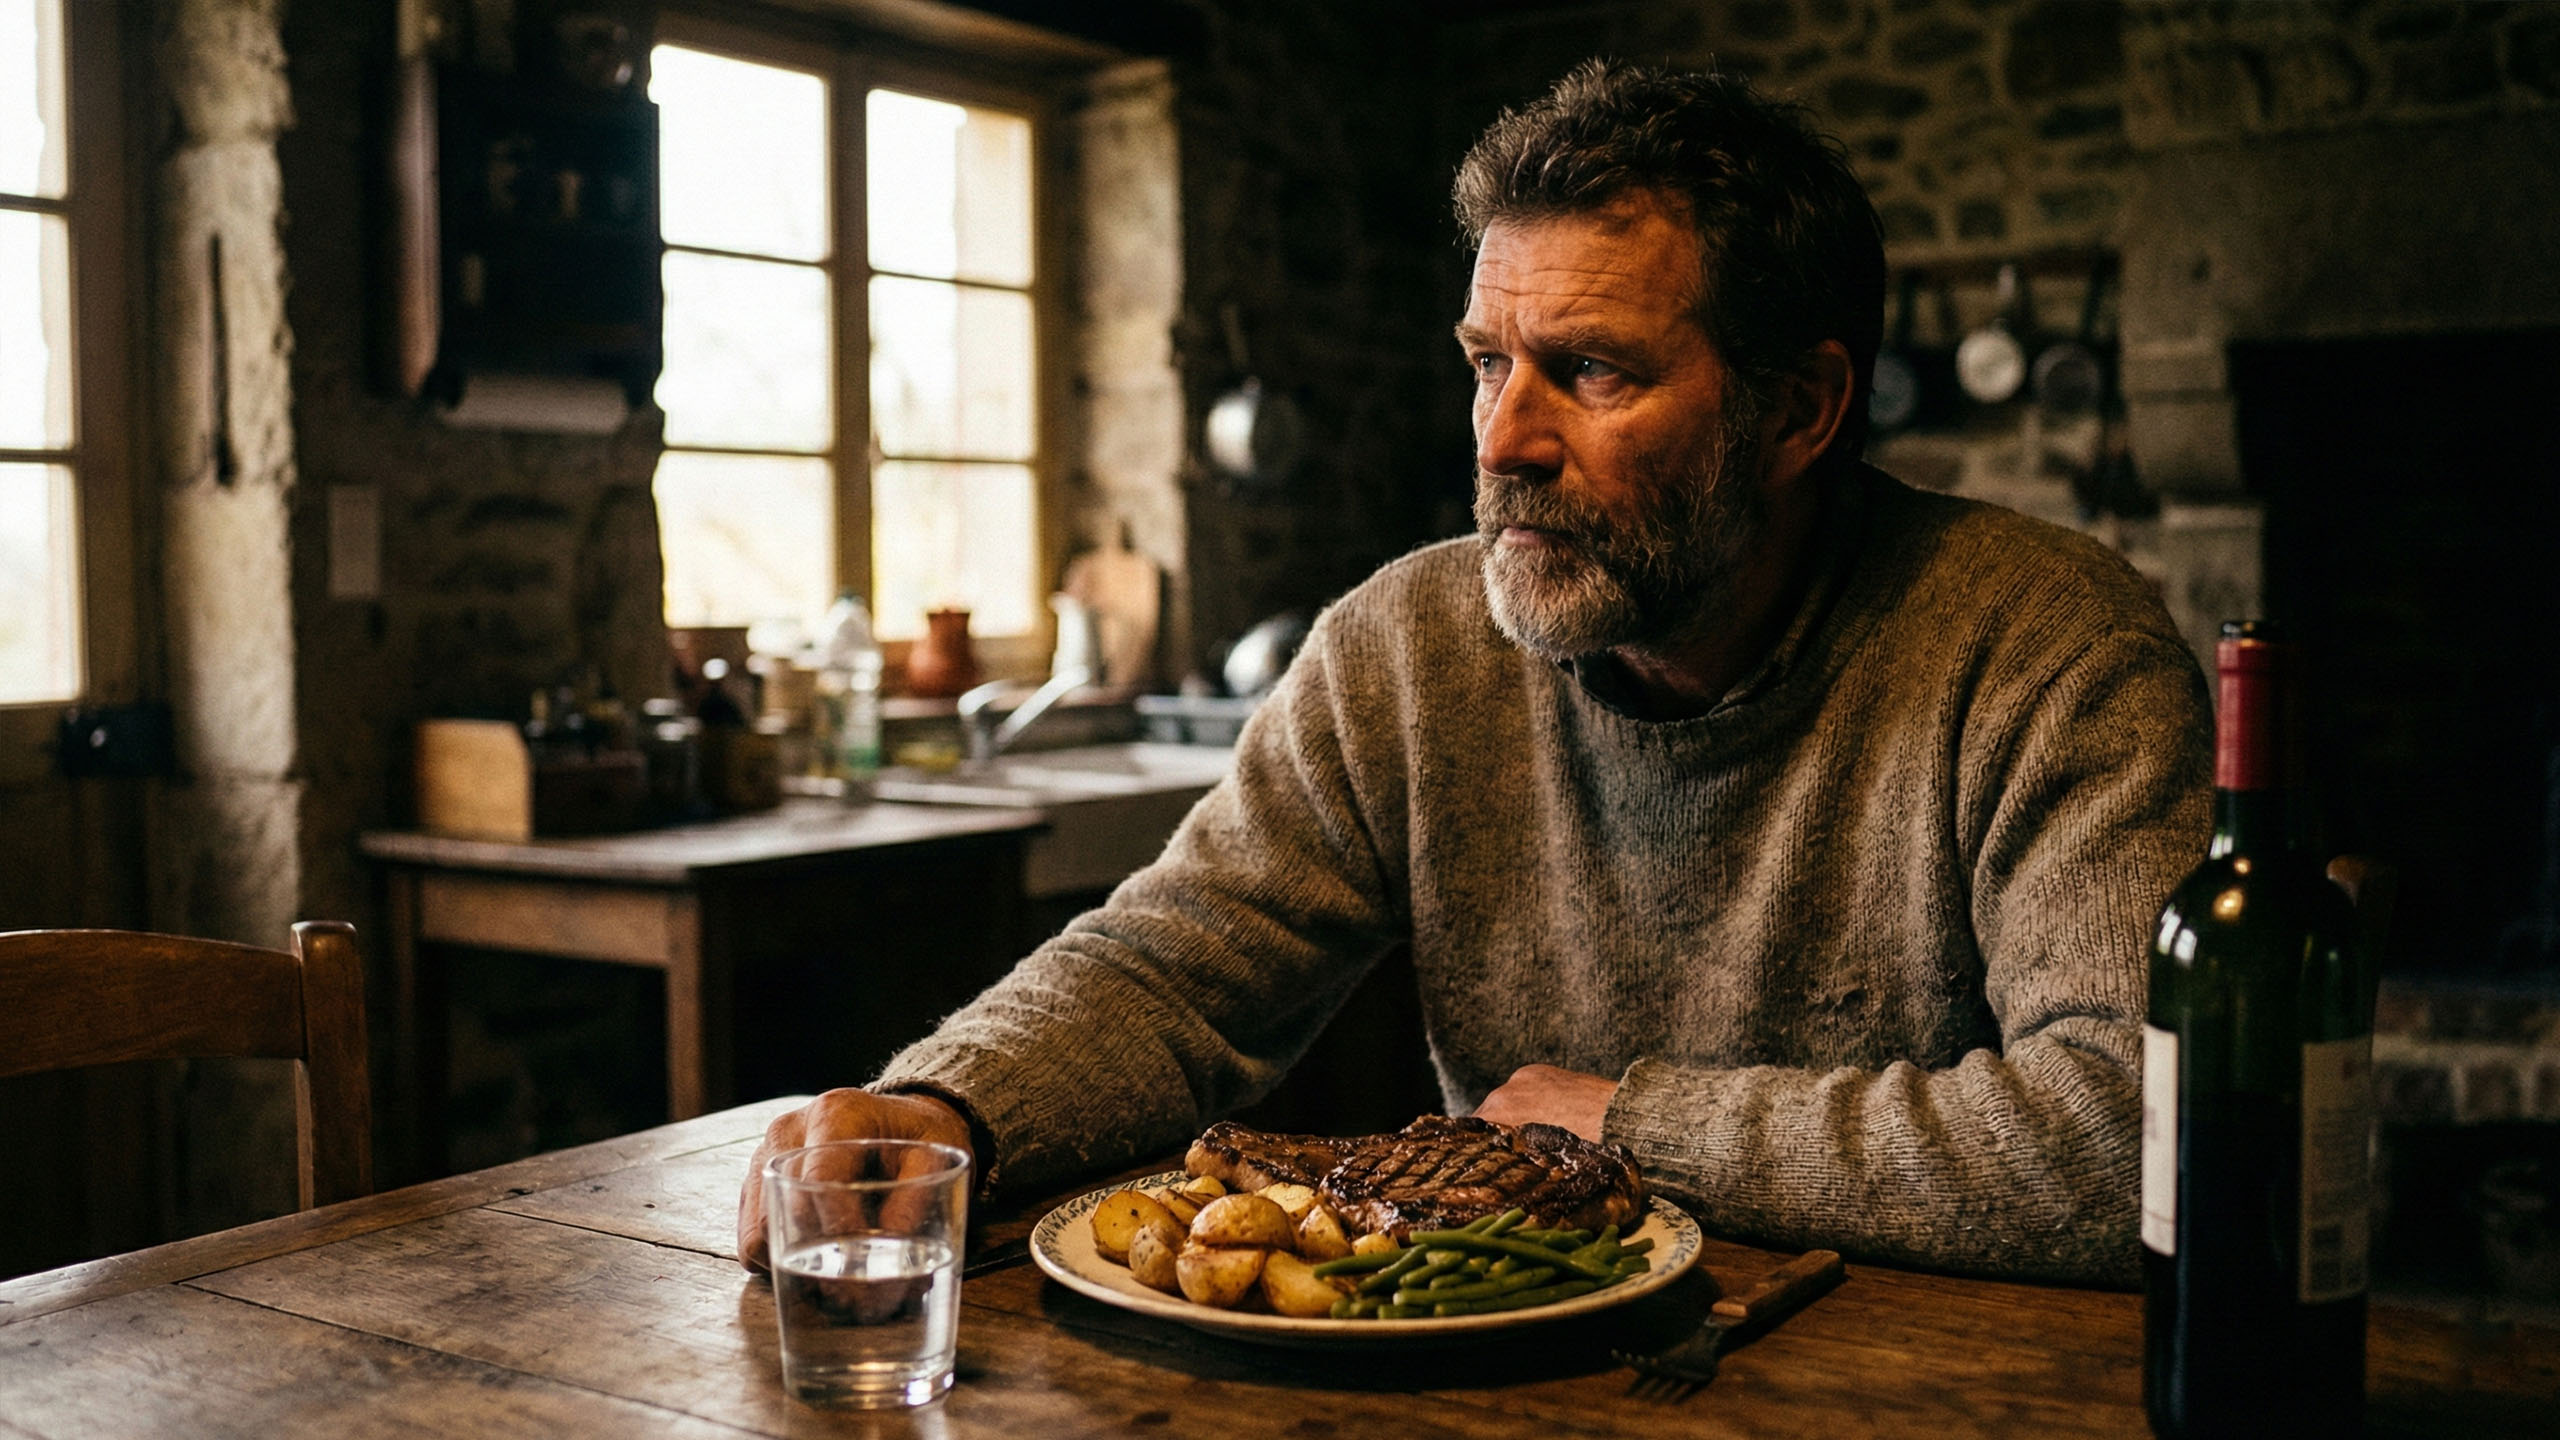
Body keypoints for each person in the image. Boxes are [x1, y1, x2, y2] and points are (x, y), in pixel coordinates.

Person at [737, 60, 2210, 1287]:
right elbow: (1176, 968)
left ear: (1803, 410)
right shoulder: (1405, 648)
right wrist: (945, 1102)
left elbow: (2136, 1131)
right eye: (1487, 361)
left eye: (1595, 371)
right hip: (1516, 1377)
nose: (1504, 439)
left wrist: (1639, 1126)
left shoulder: (2043, 644)